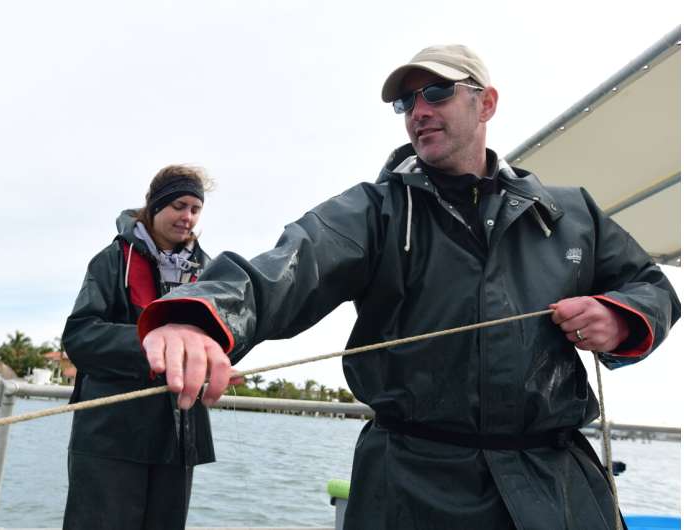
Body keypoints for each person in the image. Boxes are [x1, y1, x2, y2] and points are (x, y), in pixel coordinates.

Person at [136, 46, 681, 529]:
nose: (419, 111)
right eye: (406, 102)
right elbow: (288, 265)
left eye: (438, 92)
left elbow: (650, 285)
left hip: (556, 486)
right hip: (410, 488)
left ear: (486, 103)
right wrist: (201, 313)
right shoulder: (374, 211)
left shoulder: (570, 214)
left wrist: (623, 314)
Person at [61, 164, 218, 530]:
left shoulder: (209, 270)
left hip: (179, 437)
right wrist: (152, 342)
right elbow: (80, 336)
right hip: (110, 436)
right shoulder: (112, 260)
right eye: (179, 205)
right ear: (155, 205)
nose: (187, 217)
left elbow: (223, 335)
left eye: (195, 209)